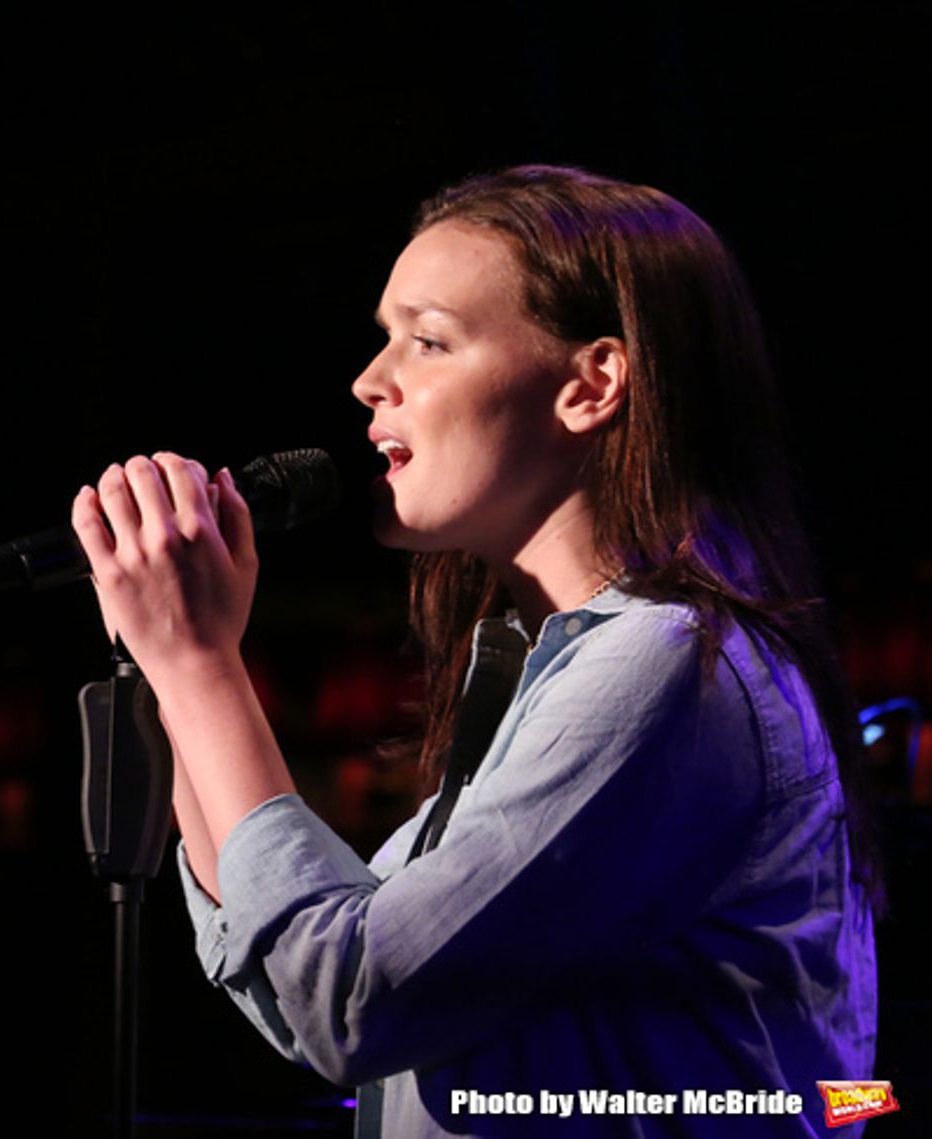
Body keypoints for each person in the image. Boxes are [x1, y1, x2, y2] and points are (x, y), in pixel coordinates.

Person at [69, 165, 878, 1137]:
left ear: (590, 384)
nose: (370, 380)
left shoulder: (667, 664)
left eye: (427, 339)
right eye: (383, 338)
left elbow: (350, 999)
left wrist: (200, 664)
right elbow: (292, 973)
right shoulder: (552, 663)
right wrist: (171, 657)